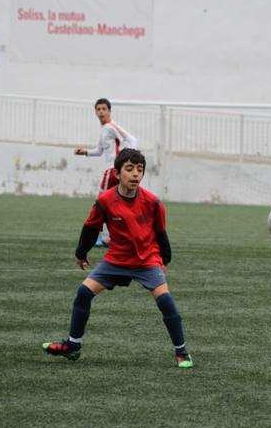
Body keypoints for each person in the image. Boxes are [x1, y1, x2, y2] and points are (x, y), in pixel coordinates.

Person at [42, 148, 193, 367]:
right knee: (83, 293)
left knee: (166, 302)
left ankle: (182, 352)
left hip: (146, 261)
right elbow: (90, 227)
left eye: (139, 170)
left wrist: (164, 261)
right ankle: (73, 347)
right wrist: (81, 254)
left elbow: (161, 233)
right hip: (116, 260)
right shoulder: (105, 201)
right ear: (117, 173)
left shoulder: (153, 202)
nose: (135, 174)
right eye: (129, 169)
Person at [74, 98, 138, 247]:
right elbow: (100, 150)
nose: (101, 111)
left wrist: (127, 159)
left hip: (112, 170)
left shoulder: (111, 127)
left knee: (101, 203)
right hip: (115, 170)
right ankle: (118, 236)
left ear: (109, 111)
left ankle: (104, 237)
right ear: (95, 112)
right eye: (98, 109)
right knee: (118, 203)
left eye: (104, 108)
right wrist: (85, 152)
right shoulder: (103, 130)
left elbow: (132, 140)